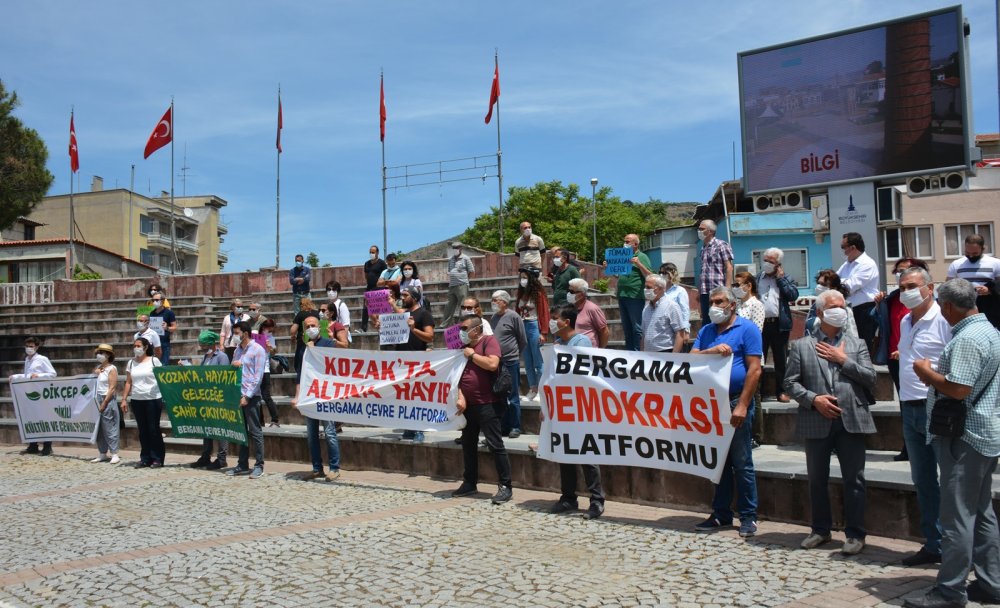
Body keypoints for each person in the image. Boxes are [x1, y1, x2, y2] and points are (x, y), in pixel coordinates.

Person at [907, 279, 1000, 608]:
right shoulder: (989, 330)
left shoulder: (968, 338)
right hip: (984, 434)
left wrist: (925, 371)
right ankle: (991, 583)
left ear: (946, 307)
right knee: (982, 512)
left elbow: (958, 388)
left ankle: (950, 591)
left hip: (964, 437)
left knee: (957, 516)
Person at [784, 288, 877, 556]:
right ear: (822, 312)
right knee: (817, 478)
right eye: (835, 306)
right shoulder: (803, 345)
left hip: (851, 418)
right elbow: (790, 383)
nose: (841, 310)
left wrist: (843, 360)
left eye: (843, 306)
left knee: (855, 479)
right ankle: (820, 529)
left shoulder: (856, 344)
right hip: (817, 418)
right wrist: (814, 400)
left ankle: (856, 533)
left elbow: (871, 378)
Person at [691, 286, 762, 538]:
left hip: (735, 401)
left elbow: (754, 370)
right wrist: (713, 350)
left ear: (732, 304)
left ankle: (749, 516)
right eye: (711, 301)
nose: (714, 306)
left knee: (742, 463)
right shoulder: (707, 331)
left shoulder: (748, 329)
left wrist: (743, 404)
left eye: (719, 301)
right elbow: (693, 359)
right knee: (719, 462)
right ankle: (721, 513)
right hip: (710, 404)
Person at [893, 267, 950, 567]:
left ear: (930, 287)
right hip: (909, 405)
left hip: (936, 404)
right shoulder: (905, 319)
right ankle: (934, 543)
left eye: (912, 285)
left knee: (950, 479)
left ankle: (958, 546)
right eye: (902, 287)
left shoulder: (943, 319)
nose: (906, 291)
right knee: (923, 479)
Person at [548, 304, 606, 519]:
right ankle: (568, 497)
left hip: (580, 405)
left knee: (587, 453)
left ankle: (597, 500)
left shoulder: (580, 342)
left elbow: (582, 373)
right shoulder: (559, 343)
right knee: (566, 453)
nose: (552, 322)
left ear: (567, 322)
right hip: (563, 405)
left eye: (555, 318)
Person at [450, 316, 513, 505]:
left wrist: (471, 355)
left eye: (465, 328)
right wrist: (460, 396)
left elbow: (492, 364)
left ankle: (505, 485)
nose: (461, 331)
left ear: (476, 330)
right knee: (468, 445)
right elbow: (457, 376)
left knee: (495, 445)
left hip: (488, 404)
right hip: (468, 405)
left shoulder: (488, 341)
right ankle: (470, 482)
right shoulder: (461, 349)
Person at [874, 257, 929, 462]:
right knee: (904, 402)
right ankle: (909, 446)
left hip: (923, 360)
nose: (901, 274)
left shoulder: (930, 302)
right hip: (896, 357)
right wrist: (878, 304)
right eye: (898, 271)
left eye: (907, 271)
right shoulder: (893, 298)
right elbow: (878, 321)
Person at [379, 286, 434, 441]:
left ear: (415, 298)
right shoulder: (405, 313)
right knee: (404, 396)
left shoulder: (424, 314)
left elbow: (430, 337)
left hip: (417, 361)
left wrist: (413, 329)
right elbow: (398, 314)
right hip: (401, 361)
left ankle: (419, 430)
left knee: (416, 396)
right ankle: (409, 428)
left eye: (405, 295)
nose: (402, 297)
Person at [294, 315, 343, 482]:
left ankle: (334, 468)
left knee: (329, 432)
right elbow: (301, 373)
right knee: (311, 434)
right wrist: (297, 396)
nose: (310, 329)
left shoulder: (327, 344)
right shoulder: (303, 347)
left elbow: (345, 349)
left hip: (326, 395)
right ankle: (317, 468)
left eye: (313, 325)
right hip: (309, 396)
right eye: (307, 326)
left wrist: (332, 338)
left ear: (319, 327)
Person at [757, 248, 799, 403]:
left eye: (771, 261)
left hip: (779, 325)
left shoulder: (786, 277)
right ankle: (757, 392)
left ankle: (781, 391)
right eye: (765, 260)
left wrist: (781, 279)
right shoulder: (757, 278)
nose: (766, 263)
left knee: (780, 360)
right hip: (759, 325)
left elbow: (793, 296)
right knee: (757, 359)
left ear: (778, 264)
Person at [228, 321, 268, 480]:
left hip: (251, 396)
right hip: (238, 394)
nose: (235, 336)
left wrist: (248, 396)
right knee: (242, 432)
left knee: (255, 431)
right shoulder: (237, 350)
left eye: (237, 333)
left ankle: (259, 465)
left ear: (245, 333)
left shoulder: (258, 349)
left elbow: (258, 376)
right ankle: (242, 463)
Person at [189, 331, 231, 469]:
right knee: (206, 428)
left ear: (212, 344)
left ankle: (221, 458)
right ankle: (205, 455)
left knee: (220, 429)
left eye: (204, 344)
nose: (202, 347)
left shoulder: (222, 357)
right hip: (206, 397)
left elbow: (224, 377)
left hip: (218, 397)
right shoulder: (205, 357)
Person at [122, 337, 164, 468]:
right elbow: (128, 382)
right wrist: (124, 399)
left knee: (153, 429)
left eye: (139, 345)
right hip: (137, 399)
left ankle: (157, 458)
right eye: (134, 345)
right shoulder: (131, 363)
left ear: (146, 347)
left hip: (152, 398)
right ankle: (145, 458)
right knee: (142, 430)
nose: (136, 348)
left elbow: (162, 377)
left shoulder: (154, 360)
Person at [490, 290, 527, 438]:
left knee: (512, 395)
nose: (493, 302)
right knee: (500, 395)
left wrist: (514, 354)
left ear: (504, 302)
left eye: (495, 300)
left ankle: (515, 426)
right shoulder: (493, 318)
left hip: (511, 361)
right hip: (497, 361)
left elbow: (522, 339)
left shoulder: (513, 316)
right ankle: (504, 426)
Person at [11, 337, 57, 456]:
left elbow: (52, 374)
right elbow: (27, 376)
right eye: (27, 346)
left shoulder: (42, 359)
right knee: (31, 418)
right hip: (30, 393)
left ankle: (47, 446)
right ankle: (33, 445)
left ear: (36, 347)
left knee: (44, 418)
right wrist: (16, 376)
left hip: (41, 393)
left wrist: (39, 375)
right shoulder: (27, 359)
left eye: (31, 346)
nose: (29, 349)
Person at [837, 232, 880, 353]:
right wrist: (841, 283)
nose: (843, 251)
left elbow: (848, 288)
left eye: (843, 247)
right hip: (850, 309)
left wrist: (841, 283)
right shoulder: (847, 264)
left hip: (864, 311)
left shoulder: (867, 264)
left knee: (863, 346)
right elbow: (833, 281)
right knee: (849, 345)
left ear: (852, 248)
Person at [946, 233, 1000, 329]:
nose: (970, 256)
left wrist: (989, 290)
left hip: (989, 307)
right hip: (964, 305)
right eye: (967, 253)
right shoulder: (957, 264)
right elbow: (948, 286)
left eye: (975, 253)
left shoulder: (995, 263)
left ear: (983, 249)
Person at [611, 233, 653, 351]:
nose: (625, 243)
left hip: (635, 296)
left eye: (628, 241)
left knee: (637, 327)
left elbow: (650, 275)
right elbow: (618, 275)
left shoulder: (642, 256)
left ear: (635, 244)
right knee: (627, 327)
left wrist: (638, 264)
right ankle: (629, 352)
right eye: (625, 241)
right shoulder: (623, 257)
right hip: (622, 295)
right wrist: (608, 267)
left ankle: (638, 351)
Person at [515, 267, 550, 402]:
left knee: (538, 361)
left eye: (525, 277)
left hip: (534, 325)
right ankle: (533, 388)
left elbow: (544, 313)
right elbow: (517, 312)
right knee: (527, 361)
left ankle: (542, 390)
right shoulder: (521, 293)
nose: (522, 280)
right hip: (523, 326)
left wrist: (544, 332)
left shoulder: (539, 294)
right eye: (521, 278)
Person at [697, 219, 734, 325]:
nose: (699, 231)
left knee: (719, 320)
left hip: (718, 290)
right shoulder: (703, 248)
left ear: (711, 231)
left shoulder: (721, 245)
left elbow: (729, 267)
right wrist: (699, 291)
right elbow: (703, 271)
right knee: (707, 321)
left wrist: (726, 290)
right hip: (705, 292)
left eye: (701, 229)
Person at [640, 274, 687, 353]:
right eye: (645, 287)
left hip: (665, 353)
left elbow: (680, 333)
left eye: (648, 287)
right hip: (648, 355)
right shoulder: (646, 308)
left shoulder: (671, 306)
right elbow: (643, 334)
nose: (645, 290)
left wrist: (673, 358)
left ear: (660, 289)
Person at [806, 270, 858, 338]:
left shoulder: (843, 307)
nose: (819, 287)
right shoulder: (815, 305)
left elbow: (852, 334)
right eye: (818, 283)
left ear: (834, 288)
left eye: (824, 284)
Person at [91, 344, 120, 465]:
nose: (100, 355)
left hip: (107, 398)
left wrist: (105, 402)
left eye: (102, 353)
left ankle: (114, 453)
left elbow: (112, 387)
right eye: (99, 352)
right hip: (96, 398)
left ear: (108, 355)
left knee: (110, 426)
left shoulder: (112, 369)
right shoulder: (99, 368)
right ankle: (102, 452)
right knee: (99, 428)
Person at [568, 278, 609, 348]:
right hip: (573, 351)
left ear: (582, 293)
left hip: (589, 352)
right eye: (568, 291)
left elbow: (604, 331)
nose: (568, 294)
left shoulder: (592, 308)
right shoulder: (570, 308)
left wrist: (600, 351)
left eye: (572, 292)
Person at [442, 241, 475, 326]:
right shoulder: (451, 259)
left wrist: (466, 281)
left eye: (457, 248)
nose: (455, 249)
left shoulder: (466, 258)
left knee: (463, 304)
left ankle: (463, 322)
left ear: (461, 248)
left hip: (462, 285)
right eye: (454, 248)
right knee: (449, 305)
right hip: (452, 285)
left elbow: (471, 271)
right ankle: (445, 323)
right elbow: (450, 271)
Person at [257, 318, 281, 427]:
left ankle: (275, 419)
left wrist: (270, 348)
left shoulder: (271, 338)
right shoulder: (255, 337)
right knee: (256, 396)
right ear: (263, 327)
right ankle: (260, 420)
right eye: (267, 329)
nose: (268, 332)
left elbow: (274, 351)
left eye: (271, 331)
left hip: (265, 369)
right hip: (254, 370)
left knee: (266, 395)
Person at [659, 262, 691, 337]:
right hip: (662, 330)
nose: (661, 275)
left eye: (664, 273)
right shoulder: (659, 291)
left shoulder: (680, 291)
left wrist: (686, 330)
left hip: (676, 330)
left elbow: (685, 311)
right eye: (660, 272)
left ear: (672, 274)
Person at [290, 297, 319, 376]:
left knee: (301, 363)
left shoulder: (300, 314)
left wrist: (293, 337)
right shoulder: (317, 313)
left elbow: (293, 330)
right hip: (317, 341)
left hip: (303, 341)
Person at [361, 245, 387, 332]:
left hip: (379, 288)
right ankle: (363, 327)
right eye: (370, 252)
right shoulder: (366, 263)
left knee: (380, 308)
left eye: (373, 252)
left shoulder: (382, 263)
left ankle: (382, 326)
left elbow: (385, 275)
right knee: (366, 307)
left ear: (377, 253)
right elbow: (366, 276)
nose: (371, 254)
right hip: (369, 287)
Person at [148, 293, 177, 364]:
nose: (154, 302)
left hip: (164, 342)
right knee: (153, 364)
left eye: (157, 300)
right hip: (153, 342)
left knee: (163, 365)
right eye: (153, 300)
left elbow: (174, 327)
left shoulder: (169, 313)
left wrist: (167, 328)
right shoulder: (152, 313)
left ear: (163, 301)